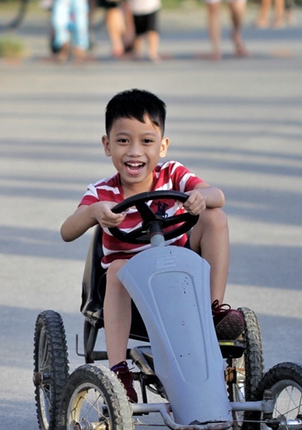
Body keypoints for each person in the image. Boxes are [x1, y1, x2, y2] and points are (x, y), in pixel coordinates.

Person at [59, 89, 245, 402]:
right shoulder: (103, 192)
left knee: (215, 218)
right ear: (107, 145)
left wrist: (202, 198)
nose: (134, 152)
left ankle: (211, 313)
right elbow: (67, 231)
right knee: (119, 267)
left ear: (162, 146)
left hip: (178, 286)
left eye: (146, 141)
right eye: (123, 141)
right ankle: (119, 372)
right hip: (128, 297)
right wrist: (93, 213)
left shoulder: (173, 175)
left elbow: (218, 195)